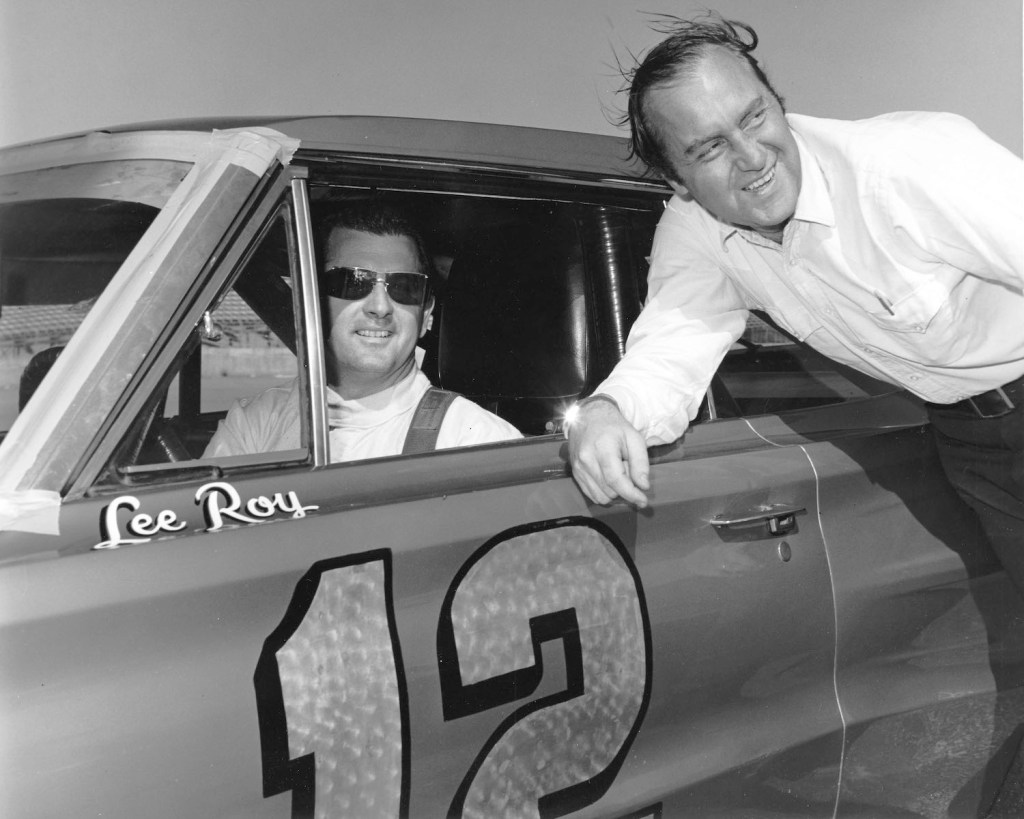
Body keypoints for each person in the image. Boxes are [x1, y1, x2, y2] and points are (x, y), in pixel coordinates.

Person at [568, 14, 1024, 589]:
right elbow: (669, 352)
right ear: (676, 178)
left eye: (754, 117)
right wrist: (606, 415)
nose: (753, 157)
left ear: (778, 103)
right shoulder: (696, 231)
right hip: (971, 442)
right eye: (710, 148)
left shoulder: (904, 165)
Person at [205, 201, 521, 461]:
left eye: (404, 286)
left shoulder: (476, 442)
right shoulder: (257, 422)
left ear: (426, 314)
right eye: (352, 282)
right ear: (311, 302)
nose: (380, 307)